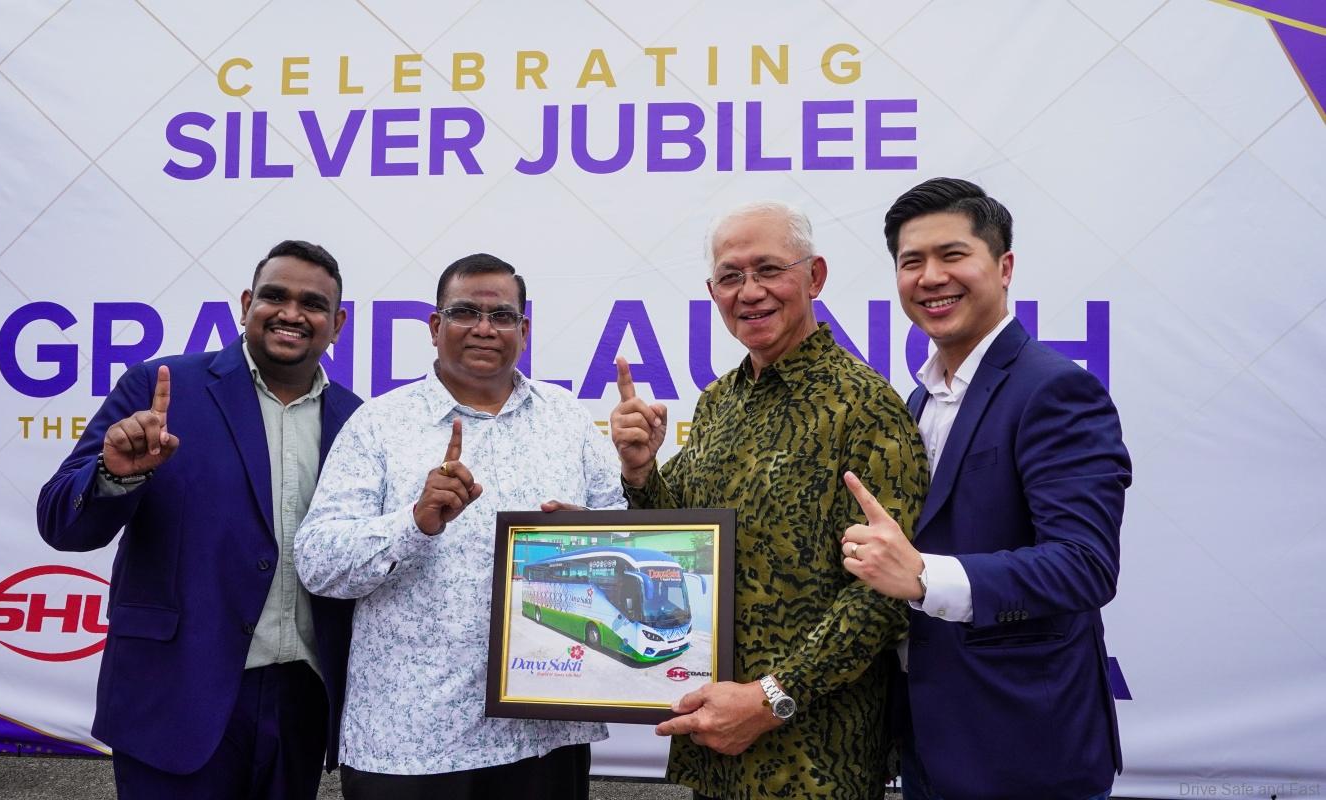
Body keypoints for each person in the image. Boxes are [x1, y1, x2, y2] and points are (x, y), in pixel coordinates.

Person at [610, 202, 927, 799]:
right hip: (714, 744)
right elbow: (679, 542)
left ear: (814, 277)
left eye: (769, 270)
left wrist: (770, 698)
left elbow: (885, 595)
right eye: (731, 276)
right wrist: (641, 470)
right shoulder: (719, 401)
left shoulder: (864, 408)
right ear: (713, 292)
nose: (750, 291)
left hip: (814, 762)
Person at [36, 240, 363, 799]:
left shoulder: (355, 420)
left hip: (301, 704)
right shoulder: (160, 388)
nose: (291, 313)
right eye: (275, 296)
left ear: (337, 324)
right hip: (175, 694)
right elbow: (61, 523)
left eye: (312, 304)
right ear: (246, 304)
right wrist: (114, 475)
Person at [293, 253, 625, 800]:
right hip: (410, 740)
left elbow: (620, 536)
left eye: (502, 316)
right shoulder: (378, 424)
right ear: (434, 326)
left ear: (524, 330)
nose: (484, 328)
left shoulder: (567, 418)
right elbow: (318, 563)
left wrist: (591, 536)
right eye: (465, 312)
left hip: (542, 736)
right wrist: (413, 523)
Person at [841, 177, 1131, 800]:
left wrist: (925, 576)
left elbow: (1084, 566)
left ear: (1004, 267)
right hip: (928, 743)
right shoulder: (917, 400)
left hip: (1026, 749)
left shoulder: (1054, 390)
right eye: (911, 262)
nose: (930, 277)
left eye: (953, 255)